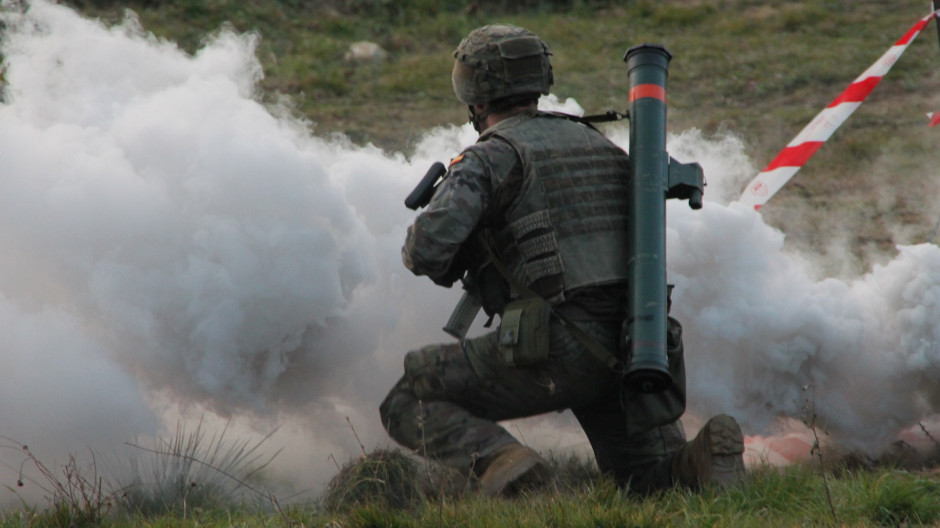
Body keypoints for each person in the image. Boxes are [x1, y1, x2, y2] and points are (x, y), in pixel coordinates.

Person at [379, 24, 745, 497]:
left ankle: (507, 463)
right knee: (648, 482)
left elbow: (425, 252)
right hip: (635, 343)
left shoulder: (492, 156)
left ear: (472, 91)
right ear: (541, 79)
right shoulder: (600, 145)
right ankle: (698, 462)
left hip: (555, 346)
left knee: (408, 399)